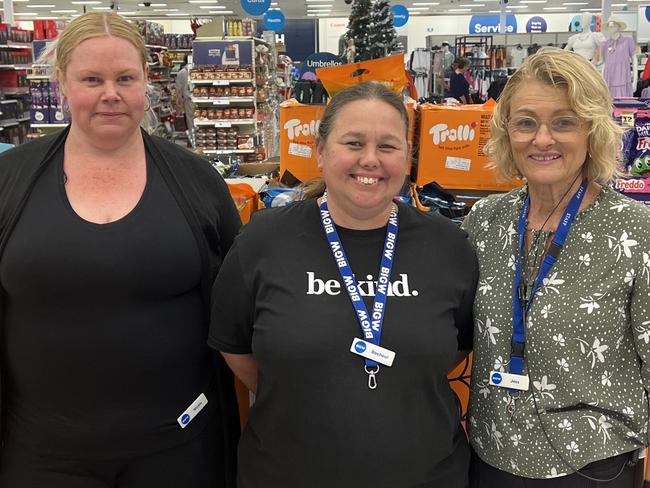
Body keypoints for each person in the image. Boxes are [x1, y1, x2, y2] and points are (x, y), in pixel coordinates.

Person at [0, 12, 241, 487]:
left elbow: (243, 300)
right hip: (43, 456)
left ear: (145, 84)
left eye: (125, 78)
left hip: (180, 448)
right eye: (92, 79)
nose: (110, 93)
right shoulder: (9, 183)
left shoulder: (197, 183)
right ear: (62, 84)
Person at [209, 81, 478, 488]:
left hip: (425, 475)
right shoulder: (262, 241)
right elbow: (234, 345)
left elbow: (456, 347)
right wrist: (298, 383)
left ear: (407, 156)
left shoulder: (449, 247)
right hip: (286, 474)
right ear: (320, 151)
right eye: (353, 143)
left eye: (388, 146)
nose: (370, 160)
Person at [462, 47, 650, 487]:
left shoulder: (636, 232)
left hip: (593, 465)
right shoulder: (483, 223)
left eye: (563, 122)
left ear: (593, 132)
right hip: (490, 458)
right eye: (526, 122)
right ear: (507, 132)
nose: (542, 139)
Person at [601, 16, 638, 98]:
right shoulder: (605, 44)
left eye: (613, 25)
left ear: (618, 26)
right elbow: (605, 63)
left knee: (624, 107)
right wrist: (601, 80)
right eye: (609, 26)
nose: (611, 28)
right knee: (609, 106)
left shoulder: (627, 41)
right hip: (608, 81)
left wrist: (635, 81)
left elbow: (634, 59)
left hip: (623, 80)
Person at [174, 54, 194, 140]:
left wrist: (178, 102)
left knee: (190, 120)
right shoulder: (198, 70)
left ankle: (193, 140)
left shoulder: (181, 72)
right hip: (201, 99)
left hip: (188, 100)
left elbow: (178, 89)